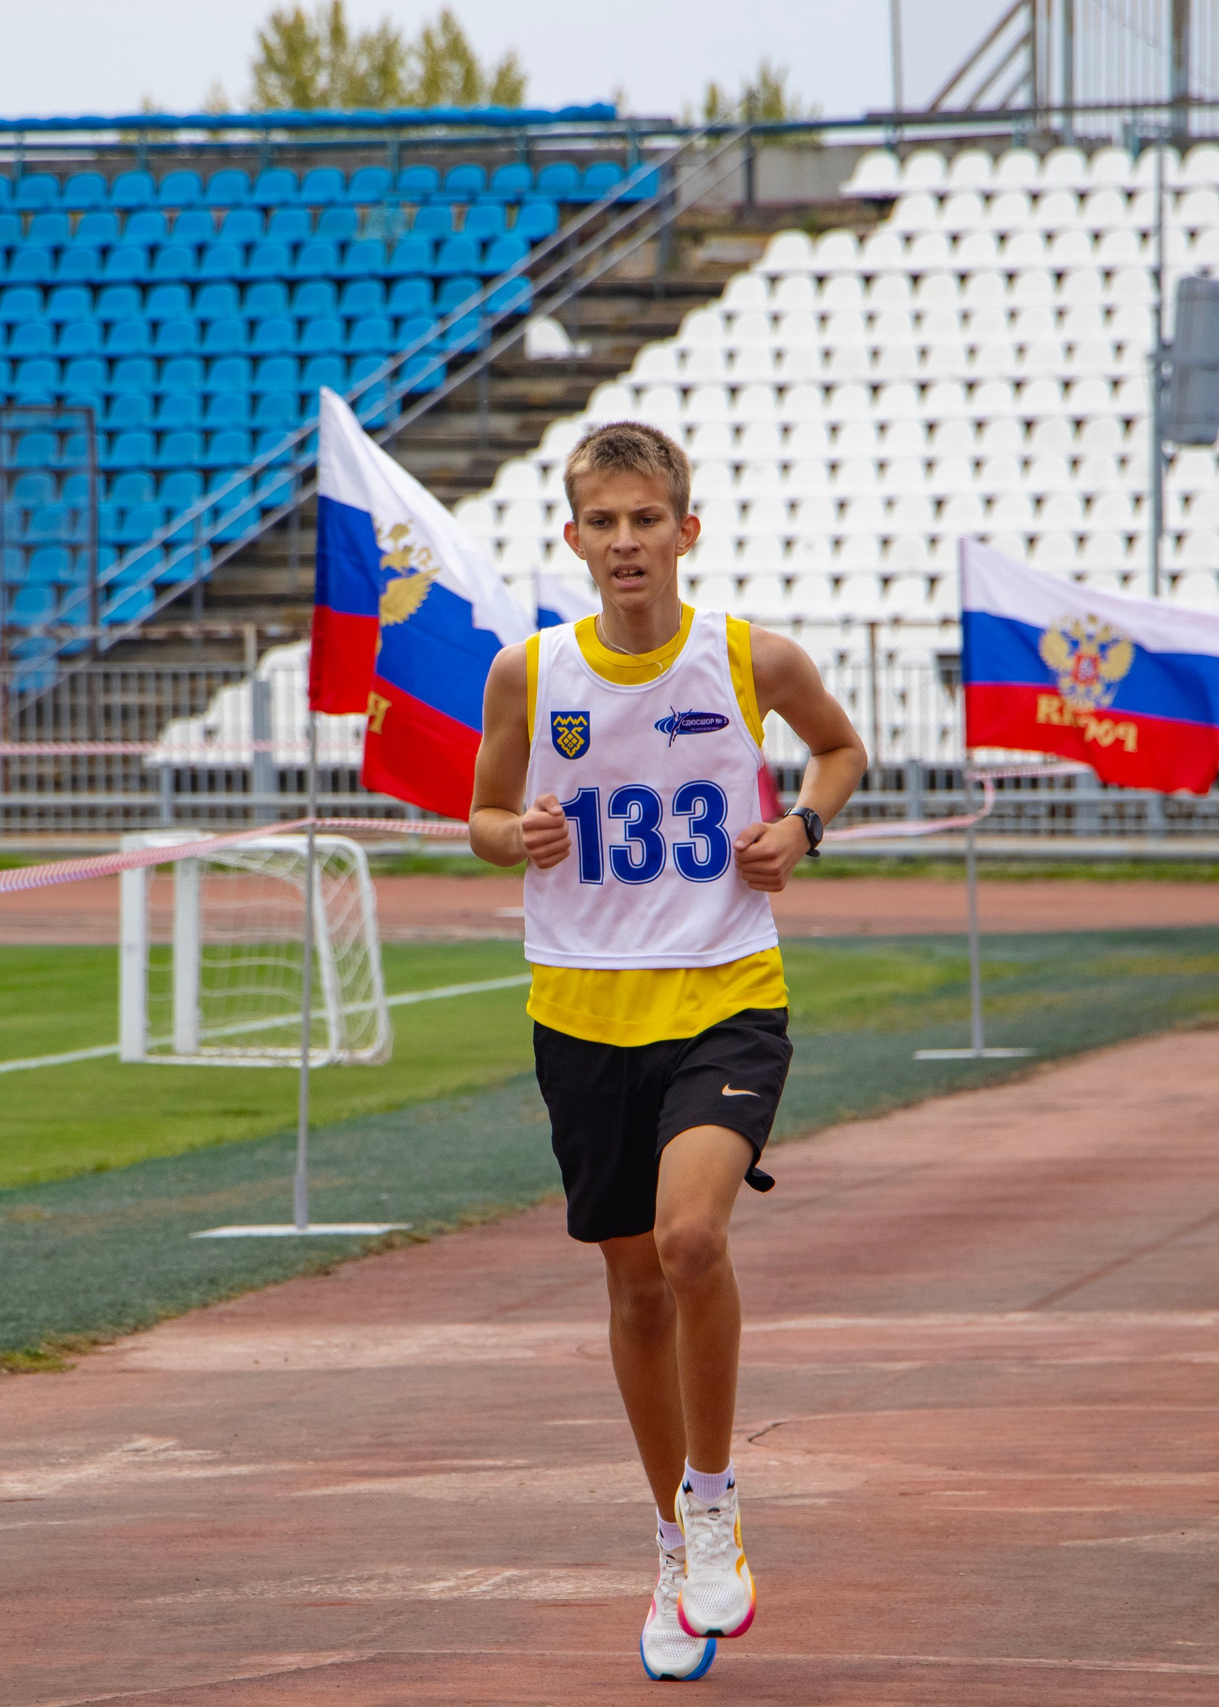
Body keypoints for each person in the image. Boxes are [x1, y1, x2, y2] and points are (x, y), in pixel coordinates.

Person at [467, 421, 867, 1681]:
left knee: (693, 1239)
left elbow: (843, 748)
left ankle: (713, 1500)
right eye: (604, 521)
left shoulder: (748, 657)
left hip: (723, 996)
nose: (626, 541)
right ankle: (666, 1542)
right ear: (573, 539)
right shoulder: (528, 675)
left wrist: (802, 825)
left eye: (648, 519)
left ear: (685, 532)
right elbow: (476, 815)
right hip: (580, 1010)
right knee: (633, 1282)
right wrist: (512, 834)